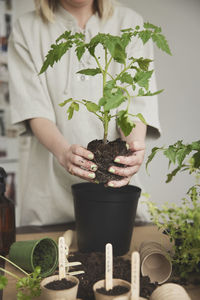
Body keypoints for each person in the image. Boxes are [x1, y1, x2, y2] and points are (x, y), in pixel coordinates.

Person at [8, 0, 161, 226]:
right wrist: (63, 152)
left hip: (117, 194)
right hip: (49, 199)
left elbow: (136, 101)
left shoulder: (130, 23)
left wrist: (133, 149)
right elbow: (33, 107)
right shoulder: (27, 28)